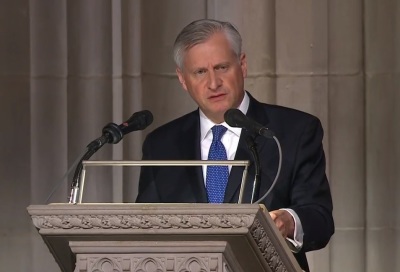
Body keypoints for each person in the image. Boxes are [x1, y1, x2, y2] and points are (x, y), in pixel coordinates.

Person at [136, 19, 334, 271]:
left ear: (242, 65)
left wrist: (288, 221)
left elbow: (320, 219)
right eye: (199, 72)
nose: (213, 83)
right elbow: (144, 228)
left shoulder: (293, 131)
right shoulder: (161, 144)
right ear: (182, 79)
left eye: (221, 67)